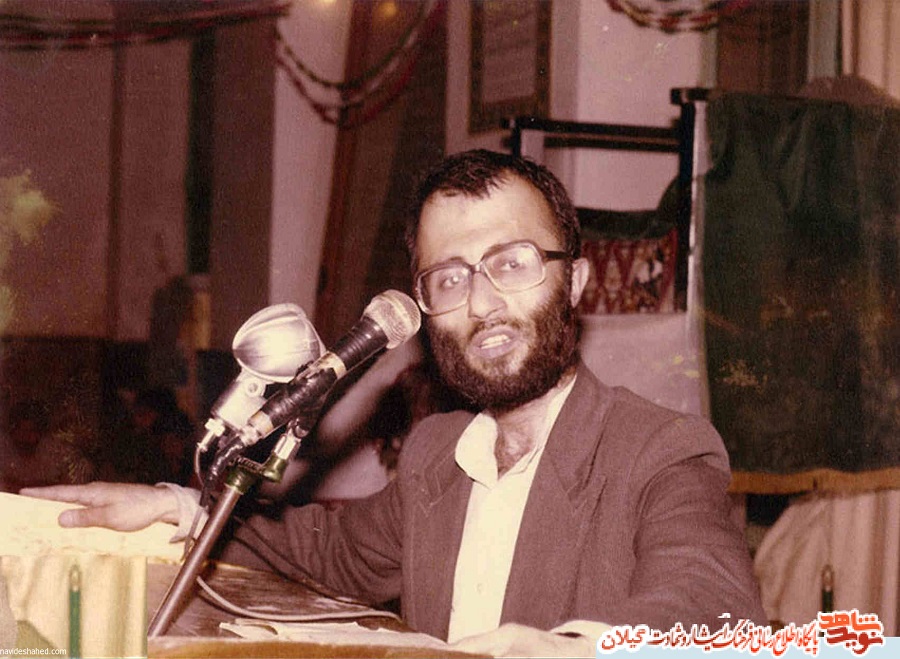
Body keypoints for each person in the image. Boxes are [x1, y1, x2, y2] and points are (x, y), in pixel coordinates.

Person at [23, 150, 767, 657]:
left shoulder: (660, 451)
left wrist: (573, 648)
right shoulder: (439, 451)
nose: (482, 303)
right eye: (450, 278)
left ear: (573, 283)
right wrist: (175, 507)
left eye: (512, 264)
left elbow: (710, 609)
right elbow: (327, 553)